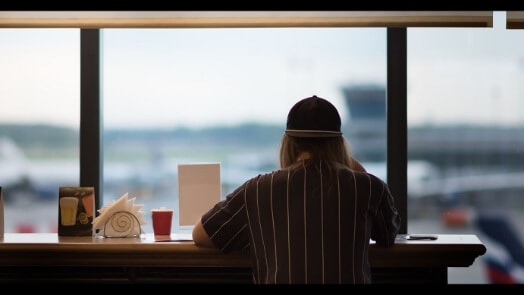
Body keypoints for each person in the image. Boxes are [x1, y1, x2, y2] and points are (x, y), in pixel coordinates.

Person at [192, 95, 401, 284]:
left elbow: (201, 234)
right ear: (339, 144)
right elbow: (389, 234)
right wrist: (347, 164)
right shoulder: (368, 187)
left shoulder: (258, 190)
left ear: (288, 144)